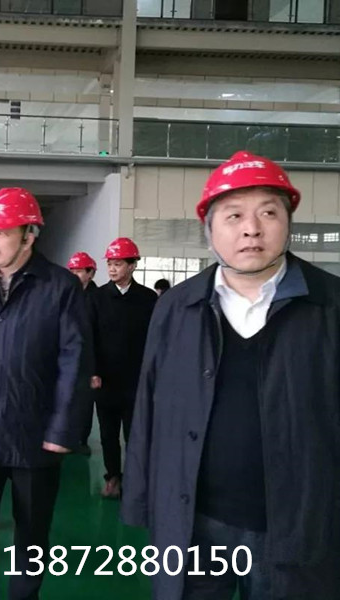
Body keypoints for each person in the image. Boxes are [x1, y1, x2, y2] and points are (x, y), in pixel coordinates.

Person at [122, 151, 340, 600]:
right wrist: (141, 498)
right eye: (234, 215)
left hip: (299, 525)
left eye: (269, 213)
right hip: (194, 522)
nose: (251, 228)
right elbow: (149, 408)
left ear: (288, 222)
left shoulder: (330, 305)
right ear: (209, 229)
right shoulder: (176, 307)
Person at [0, 188, 89, 600]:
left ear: (29, 236)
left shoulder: (60, 287)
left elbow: (75, 362)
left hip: (34, 435)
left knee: (31, 536)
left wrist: (61, 431)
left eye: (2, 232)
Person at [89, 237, 157, 499]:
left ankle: (136, 480)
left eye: (118, 264)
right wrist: (92, 370)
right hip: (105, 380)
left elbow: (156, 339)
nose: (112, 269)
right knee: (108, 434)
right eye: (110, 264)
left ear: (132, 265)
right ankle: (113, 477)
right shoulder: (97, 298)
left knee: (135, 434)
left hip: (136, 380)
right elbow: (88, 336)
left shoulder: (148, 299)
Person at [67, 251, 99, 456]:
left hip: (88, 358)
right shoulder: (66, 295)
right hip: (69, 357)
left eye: (79, 271)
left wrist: (95, 369)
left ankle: (82, 439)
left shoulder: (98, 298)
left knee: (85, 402)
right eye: (72, 271)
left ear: (90, 274)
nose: (74, 275)